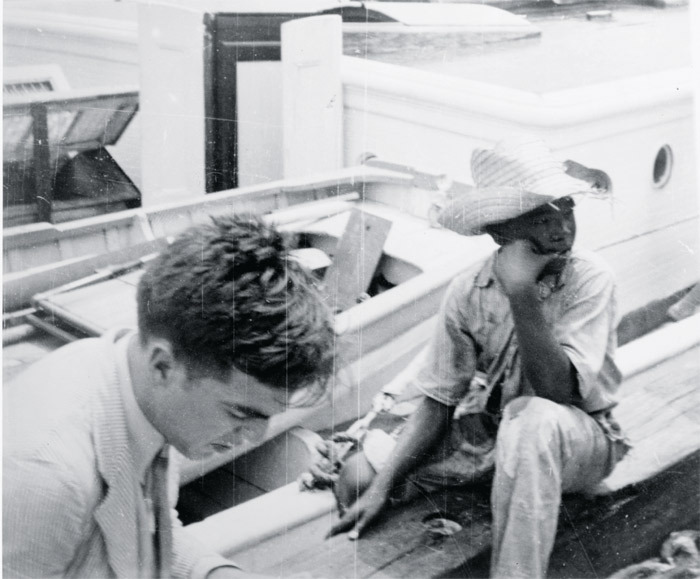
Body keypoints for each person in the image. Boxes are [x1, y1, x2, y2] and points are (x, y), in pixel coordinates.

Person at [314, 138, 630, 578]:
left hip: (581, 441)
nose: (562, 229)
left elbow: (555, 393)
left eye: (567, 209)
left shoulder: (590, 279)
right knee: (361, 473)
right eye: (541, 218)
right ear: (500, 232)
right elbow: (440, 398)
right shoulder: (468, 291)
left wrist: (521, 291)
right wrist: (380, 487)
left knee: (531, 418)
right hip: (500, 438)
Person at [3, 215, 336, 579]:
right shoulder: (46, 478)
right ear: (163, 364)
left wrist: (216, 573)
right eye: (241, 413)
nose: (256, 436)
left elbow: (149, 529)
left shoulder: (139, 388)